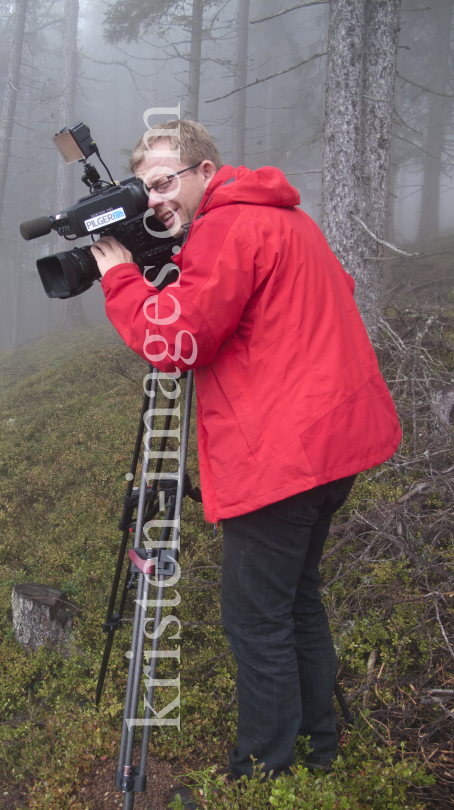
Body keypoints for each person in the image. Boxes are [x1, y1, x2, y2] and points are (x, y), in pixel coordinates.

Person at [90, 120, 400, 783]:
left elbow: (174, 343)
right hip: (333, 444)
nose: (158, 199)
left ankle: (263, 775)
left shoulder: (230, 229)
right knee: (295, 602)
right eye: (147, 190)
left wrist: (121, 279)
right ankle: (319, 752)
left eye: (166, 182)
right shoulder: (283, 218)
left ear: (206, 172)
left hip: (284, 456)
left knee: (257, 621)